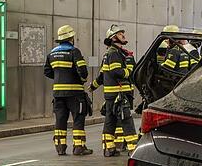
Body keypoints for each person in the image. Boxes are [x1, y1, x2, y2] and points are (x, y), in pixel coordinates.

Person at [90, 25, 139, 157]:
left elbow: (102, 76)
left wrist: (92, 86)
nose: (123, 35)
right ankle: (133, 149)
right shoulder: (114, 53)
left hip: (111, 95)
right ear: (113, 38)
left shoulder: (111, 53)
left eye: (123, 32)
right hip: (118, 94)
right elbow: (116, 71)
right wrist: (129, 70)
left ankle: (109, 148)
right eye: (120, 33)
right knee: (127, 120)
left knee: (110, 120)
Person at [44, 25, 93, 156]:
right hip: (75, 93)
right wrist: (81, 79)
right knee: (78, 118)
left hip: (58, 94)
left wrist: (60, 78)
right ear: (71, 38)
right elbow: (83, 71)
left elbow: (47, 72)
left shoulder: (52, 54)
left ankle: (60, 148)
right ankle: (79, 147)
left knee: (60, 119)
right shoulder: (74, 52)